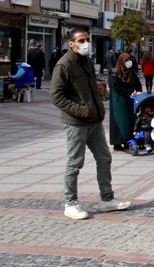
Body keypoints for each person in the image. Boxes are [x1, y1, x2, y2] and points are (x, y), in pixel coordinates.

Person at [51, 27, 131, 220]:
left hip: (94, 121)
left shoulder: (85, 61)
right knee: (74, 163)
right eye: (81, 41)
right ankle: (70, 203)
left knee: (104, 158)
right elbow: (56, 96)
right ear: (72, 44)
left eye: (87, 39)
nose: (86, 44)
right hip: (77, 122)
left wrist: (98, 107)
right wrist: (81, 110)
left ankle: (107, 199)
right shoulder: (64, 65)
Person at [108, 53, 143, 152]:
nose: (129, 62)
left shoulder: (131, 72)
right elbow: (116, 86)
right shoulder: (114, 73)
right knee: (119, 122)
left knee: (129, 121)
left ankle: (128, 143)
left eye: (129, 60)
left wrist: (138, 92)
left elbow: (137, 84)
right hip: (119, 101)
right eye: (126, 60)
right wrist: (130, 93)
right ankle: (118, 144)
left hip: (130, 100)